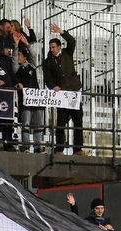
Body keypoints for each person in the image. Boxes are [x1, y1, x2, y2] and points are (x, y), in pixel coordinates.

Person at [42, 24, 85, 155]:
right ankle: (59, 148)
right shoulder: (48, 62)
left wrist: (61, 31)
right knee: (61, 122)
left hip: (73, 92)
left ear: (59, 47)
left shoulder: (67, 53)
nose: (52, 49)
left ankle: (78, 149)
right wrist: (52, 86)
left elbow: (72, 41)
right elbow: (47, 78)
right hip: (61, 94)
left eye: (54, 47)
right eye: (50, 48)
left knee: (78, 121)